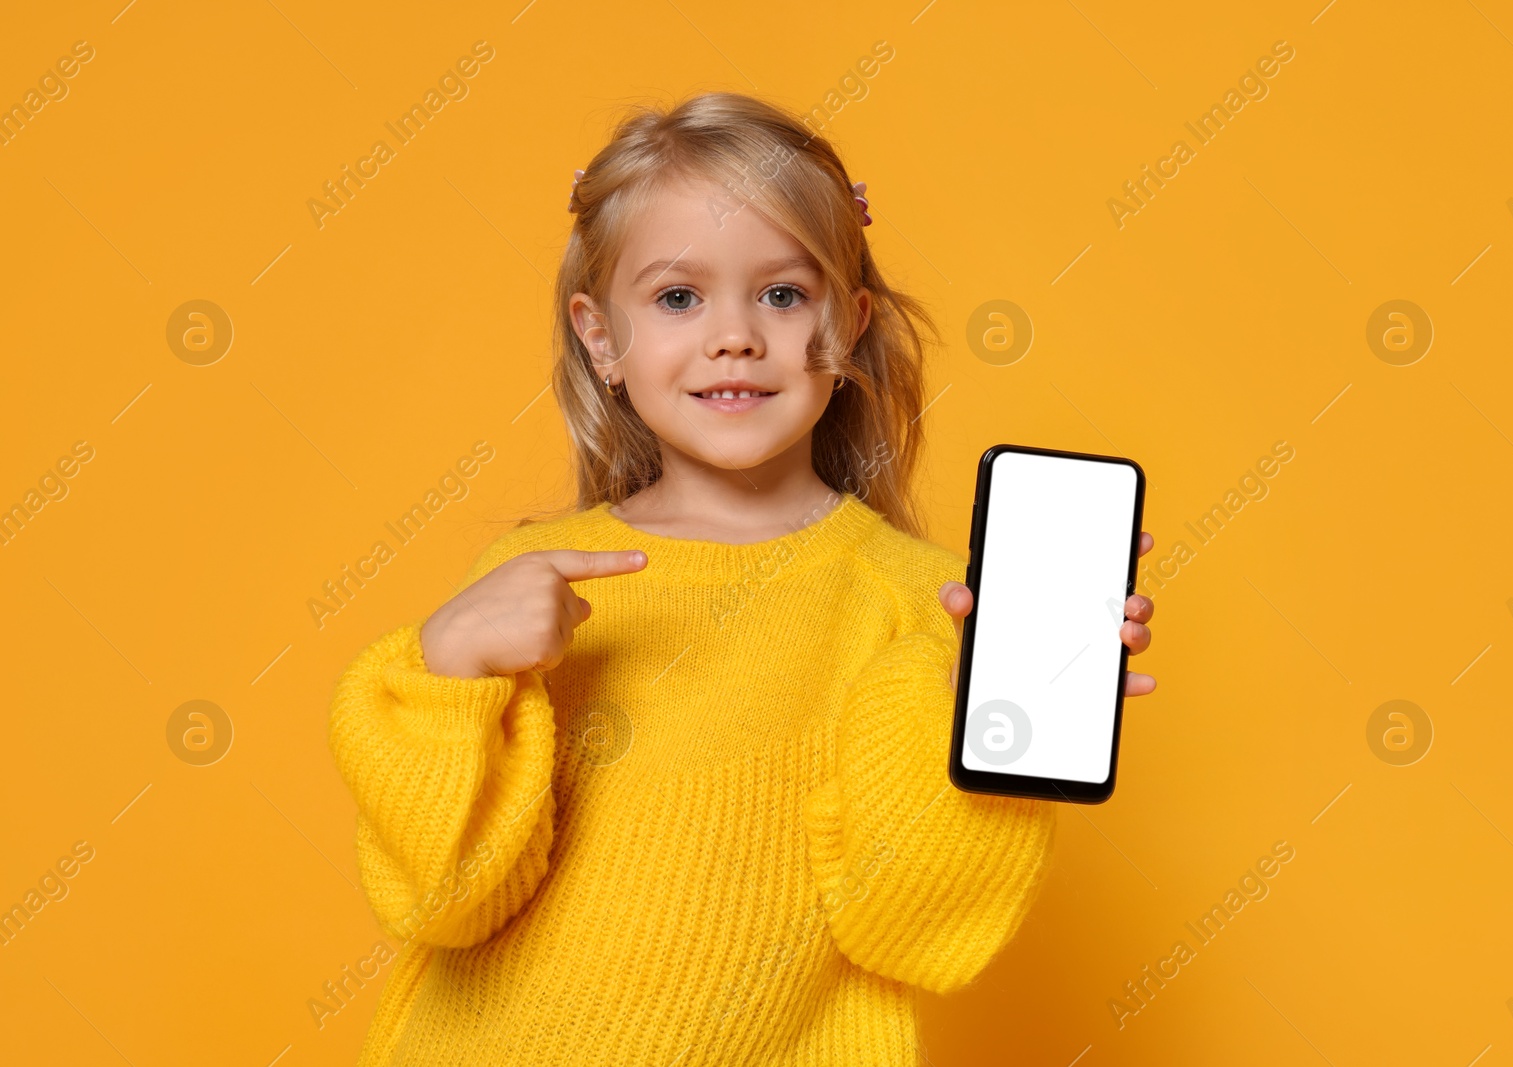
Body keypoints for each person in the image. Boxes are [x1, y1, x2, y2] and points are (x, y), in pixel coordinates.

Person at [326, 90, 1157, 1066]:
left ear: (844, 326)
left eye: (781, 293)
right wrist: (446, 672)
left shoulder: (923, 608)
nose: (735, 335)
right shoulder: (530, 580)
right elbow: (446, 896)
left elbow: (904, 924)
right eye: (679, 297)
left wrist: (984, 724)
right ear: (601, 337)